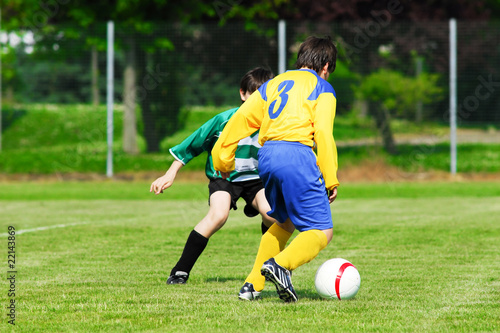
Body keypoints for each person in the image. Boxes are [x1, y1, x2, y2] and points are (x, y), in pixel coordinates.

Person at [212, 36, 339, 302]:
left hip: (267, 157)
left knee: (284, 222)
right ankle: (280, 265)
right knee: (321, 230)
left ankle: (252, 285)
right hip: (298, 156)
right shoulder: (323, 88)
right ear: (326, 66)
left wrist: (223, 159)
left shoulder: (274, 83)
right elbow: (324, 134)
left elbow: (241, 118)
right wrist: (331, 177)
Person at [150, 67, 277, 286]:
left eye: (263, 97)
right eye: (253, 95)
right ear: (242, 94)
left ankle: (271, 269)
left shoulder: (274, 124)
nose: (258, 102)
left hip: (256, 180)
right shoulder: (224, 120)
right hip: (224, 177)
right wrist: (170, 174)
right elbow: (191, 145)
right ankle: (180, 270)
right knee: (218, 215)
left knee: (273, 216)